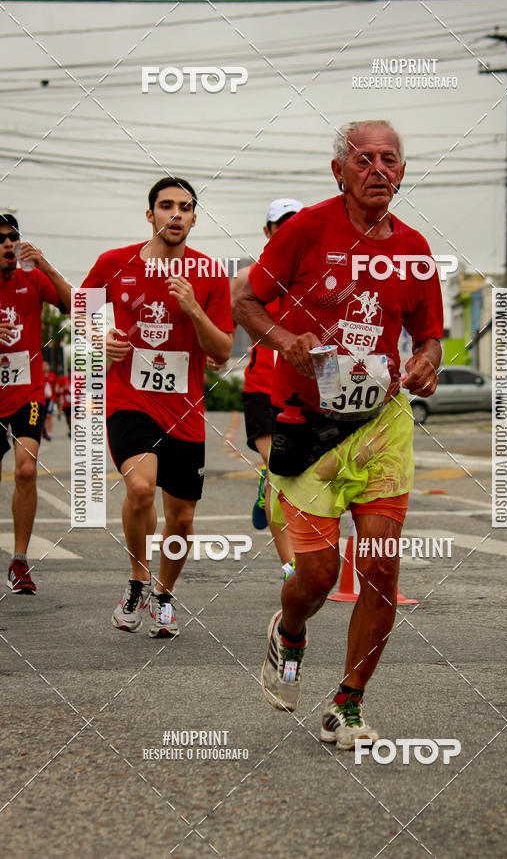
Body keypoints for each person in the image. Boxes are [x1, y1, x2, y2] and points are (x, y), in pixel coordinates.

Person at [234, 120, 443, 749]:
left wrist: (428, 361)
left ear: (402, 172)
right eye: (364, 159)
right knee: (319, 574)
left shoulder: (414, 247)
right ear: (339, 172)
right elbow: (247, 299)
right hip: (305, 425)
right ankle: (290, 629)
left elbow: (430, 333)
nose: (378, 169)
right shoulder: (305, 230)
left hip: (381, 424)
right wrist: (283, 341)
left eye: (390, 159)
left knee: (380, 567)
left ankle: (347, 704)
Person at [80, 177, 233, 638]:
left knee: (182, 518)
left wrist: (194, 309)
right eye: (166, 206)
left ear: (193, 217)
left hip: (185, 409)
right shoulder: (114, 263)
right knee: (141, 489)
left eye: (185, 207)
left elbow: (223, 351)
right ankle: (137, 580)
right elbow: (82, 311)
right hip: (130, 399)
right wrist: (98, 338)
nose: (175, 214)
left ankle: (164, 595)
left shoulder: (209, 274)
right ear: (150, 215)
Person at [229, 199, 302, 576]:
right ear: (268, 231)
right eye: (280, 225)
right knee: (277, 470)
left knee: (296, 474)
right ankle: (289, 563)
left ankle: (266, 485)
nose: (288, 230)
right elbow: (224, 318)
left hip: (303, 389)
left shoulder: (319, 276)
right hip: (262, 388)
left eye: (296, 223)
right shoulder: (248, 278)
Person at [0, 214, 71, 594]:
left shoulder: (32, 278)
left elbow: (80, 307)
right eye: (1, 240)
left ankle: (20, 561)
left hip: (27, 392)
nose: (9, 245)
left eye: (13, 238)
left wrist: (46, 266)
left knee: (26, 470)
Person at [42, 360, 56, 441]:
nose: (44, 367)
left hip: (50, 398)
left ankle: (50, 432)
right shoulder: (40, 375)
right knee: (42, 417)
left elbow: (55, 385)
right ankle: (44, 431)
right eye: (43, 365)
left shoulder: (52, 375)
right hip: (42, 398)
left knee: (48, 415)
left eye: (46, 365)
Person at [55, 370, 72, 436]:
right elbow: (57, 388)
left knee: (73, 417)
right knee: (68, 418)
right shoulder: (64, 379)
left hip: (75, 402)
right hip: (67, 402)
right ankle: (70, 428)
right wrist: (63, 388)